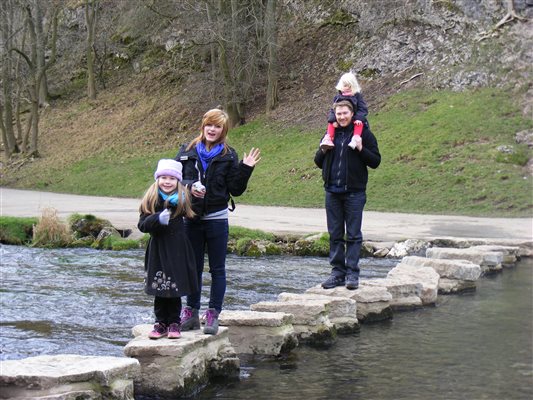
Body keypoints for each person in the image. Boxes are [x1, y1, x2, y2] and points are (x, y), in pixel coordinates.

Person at [175, 108, 261, 335]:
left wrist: (246, 168)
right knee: (192, 267)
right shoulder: (187, 151)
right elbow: (173, 178)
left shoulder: (229, 155)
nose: (212, 130)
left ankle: (213, 313)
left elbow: (236, 189)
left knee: (217, 269)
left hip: (216, 219)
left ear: (224, 130)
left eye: (217, 126)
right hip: (191, 217)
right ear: (203, 126)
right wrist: (190, 185)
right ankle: (191, 312)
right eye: (209, 125)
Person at [314, 100, 381, 290]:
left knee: (353, 235)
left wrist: (360, 149)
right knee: (335, 234)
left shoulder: (364, 134)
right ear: (334, 114)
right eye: (338, 113)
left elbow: (375, 161)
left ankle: (352, 273)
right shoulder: (330, 134)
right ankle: (337, 273)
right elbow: (318, 161)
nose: (342, 117)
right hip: (332, 192)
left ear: (352, 114)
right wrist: (323, 149)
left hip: (354, 192)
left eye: (345, 113)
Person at [138, 159, 198, 339]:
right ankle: (160, 322)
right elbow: (142, 225)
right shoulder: (151, 199)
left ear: (178, 181)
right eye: (163, 177)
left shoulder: (182, 199)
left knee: (174, 287)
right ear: (157, 179)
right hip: (158, 250)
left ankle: (174, 322)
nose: (167, 181)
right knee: (160, 287)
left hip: (177, 250)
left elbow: (196, 213)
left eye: (172, 178)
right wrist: (157, 219)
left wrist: (199, 191)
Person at [320, 71, 369, 151]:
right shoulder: (338, 97)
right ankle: (328, 138)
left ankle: (356, 139)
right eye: (344, 85)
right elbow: (333, 110)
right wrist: (333, 120)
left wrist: (358, 118)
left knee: (359, 123)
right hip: (340, 122)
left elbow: (362, 108)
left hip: (354, 119)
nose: (346, 88)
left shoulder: (357, 96)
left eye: (348, 85)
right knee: (331, 123)